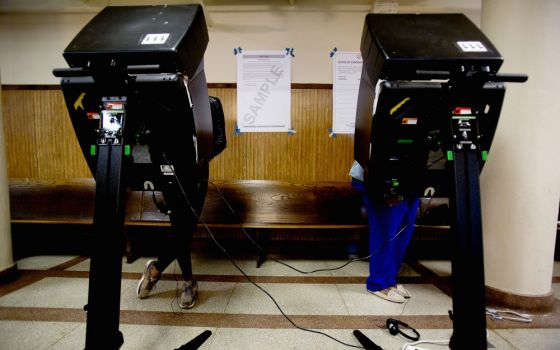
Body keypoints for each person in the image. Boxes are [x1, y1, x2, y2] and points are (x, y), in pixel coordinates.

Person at [136, 144, 209, 309]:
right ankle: (189, 282)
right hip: (168, 168)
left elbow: (217, 138)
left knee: (185, 230)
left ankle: (156, 269)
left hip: (197, 171)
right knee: (180, 230)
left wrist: (205, 151)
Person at [350, 161, 420, 303]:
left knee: (402, 235)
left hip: (410, 179)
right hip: (381, 177)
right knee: (385, 233)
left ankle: (389, 279)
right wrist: (384, 188)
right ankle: (377, 283)